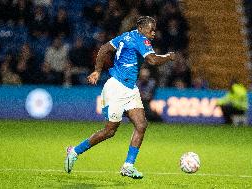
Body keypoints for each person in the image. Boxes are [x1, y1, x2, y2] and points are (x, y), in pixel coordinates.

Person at [64, 16, 175, 179]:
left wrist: (97, 70)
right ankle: (74, 152)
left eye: (154, 29)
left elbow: (104, 48)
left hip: (130, 89)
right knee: (109, 131)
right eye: (151, 29)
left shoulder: (125, 36)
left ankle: (128, 166)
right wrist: (168, 57)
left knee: (141, 124)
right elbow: (152, 60)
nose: (153, 32)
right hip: (116, 88)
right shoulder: (141, 40)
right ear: (142, 28)